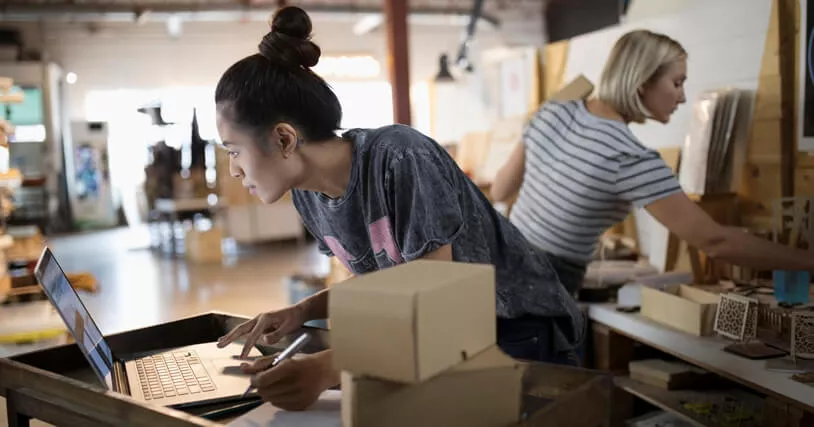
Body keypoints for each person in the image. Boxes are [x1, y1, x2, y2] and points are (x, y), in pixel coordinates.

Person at [213, 6, 584, 411]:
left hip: (516, 329)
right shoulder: (308, 194)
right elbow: (388, 282)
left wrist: (325, 369)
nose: (233, 169)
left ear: (285, 139)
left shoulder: (400, 157)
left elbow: (436, 303)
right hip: (449, 337)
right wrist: (301, 311)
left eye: (234, 151)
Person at [491, 29, 814, 295]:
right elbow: (714, 241)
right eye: (677, 82)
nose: (683, 97)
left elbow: (501, 190)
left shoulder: (554, 110)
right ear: (642, 81)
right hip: (542, 292)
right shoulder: (628, 157)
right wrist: (808, 260)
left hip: (498, 270)